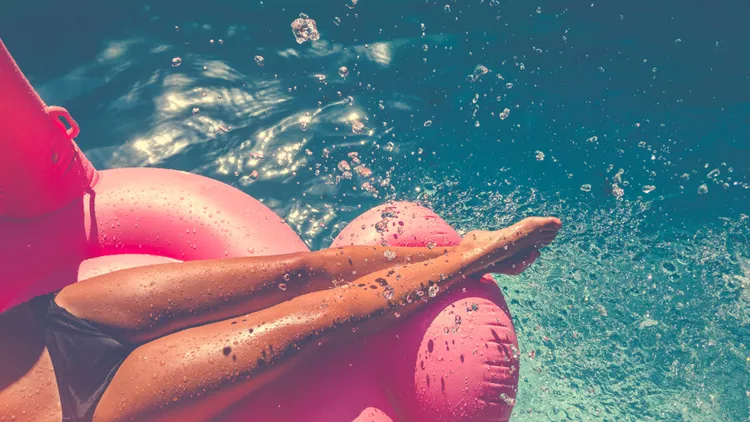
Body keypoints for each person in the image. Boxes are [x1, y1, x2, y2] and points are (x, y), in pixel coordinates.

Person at [0, 216, 561, 422]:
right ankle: (476, 257)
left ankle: (469, 248)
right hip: (93, 408)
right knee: (316, 319)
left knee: (298, 272)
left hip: (58, 322)